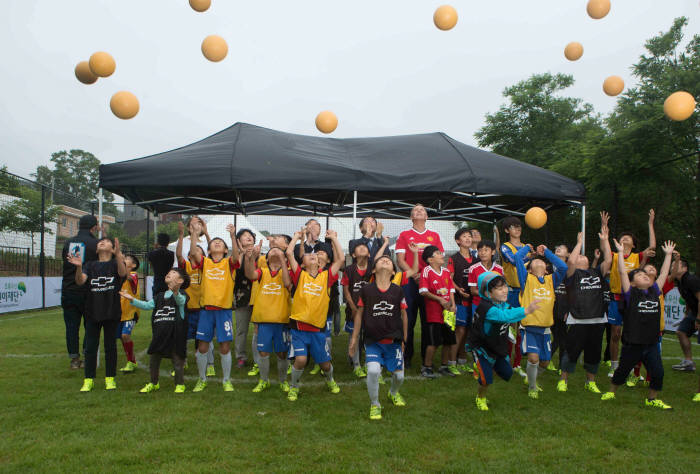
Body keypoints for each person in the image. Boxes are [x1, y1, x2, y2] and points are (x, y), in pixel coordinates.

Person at [601, 240, 675, 410]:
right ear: (633, 283)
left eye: (646, 276)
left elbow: (663, 274)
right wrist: (619, 253)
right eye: (641, 275)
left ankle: (652, 398)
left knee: (658, 372)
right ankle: (612, 391)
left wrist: (668, 255)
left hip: (651, 343)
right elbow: (621, 271)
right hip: (633, 343)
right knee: (622, 371)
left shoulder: (654, 292)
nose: (645, 276)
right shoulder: (630, 293)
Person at [467, 272, 541, 411]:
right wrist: (527, 310)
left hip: (496, 346)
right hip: (482, 347)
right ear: (488, 293)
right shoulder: (487, 308)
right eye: (499, 289)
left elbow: (510, 311)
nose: (505, 290)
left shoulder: (502, 304)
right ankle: (480, 397)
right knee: (485, 380)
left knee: (507, 373)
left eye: (505, 286)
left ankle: (484, 369)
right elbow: (504, 316)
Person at [285, 228, 344, 401]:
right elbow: (289, 252)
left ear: (320, 263)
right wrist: (296, 236)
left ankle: (330, 380)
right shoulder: (299, 275)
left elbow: (340, 259)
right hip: (298, 329)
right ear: (302, 263)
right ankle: (294, 386)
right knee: (301, 360)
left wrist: (333, 238)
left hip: (318, 330)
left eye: (316, 256)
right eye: (308, 255)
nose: (313, 255)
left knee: (325, 365)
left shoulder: (326, 277)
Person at [349, 254, 409, 420]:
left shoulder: (398, 290)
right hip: (373, 340)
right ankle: (375, 404)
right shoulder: (366, 290)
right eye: (381, 260)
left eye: (389, 261)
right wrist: (354, 339)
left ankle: (393, 393)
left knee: (399, 376)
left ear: (393, 272)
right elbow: (359, 315)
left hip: (393, 341)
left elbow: (404, 315)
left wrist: (404, 339)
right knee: (374, 371)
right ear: (374, 269)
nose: (385, 261)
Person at [67, 237, 127, 392]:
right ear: (96, 249)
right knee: (91, 347)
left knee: (110, 347)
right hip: (92, 311)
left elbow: (122, 272)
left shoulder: (115, 263)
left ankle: (110, 378)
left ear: (112, 248)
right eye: (100, 242)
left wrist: (118, 254)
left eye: (107, 242)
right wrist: (78, 267)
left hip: (111, 311)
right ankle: (88, 379)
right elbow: (80, 281)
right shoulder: (89, 265)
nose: (102, 242)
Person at [557, 222, 612, 394]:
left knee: (594, 353)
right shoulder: (572, 275)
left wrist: (605, 240)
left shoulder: (597, 272)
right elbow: (571, 260)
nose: (581, 256)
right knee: (571, 351)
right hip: (578, 319)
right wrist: (579, 242)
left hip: (597, 319)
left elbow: (609, 259)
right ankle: (563, 380)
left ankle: (590, 381)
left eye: (583, 255)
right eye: (579, 255)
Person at [188, 221, 240, 392]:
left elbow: (236, 256)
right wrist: (195, 233)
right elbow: (194, 252)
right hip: (206, 311)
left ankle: (226, 380)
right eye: (213, 242)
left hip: (224, 311)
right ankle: (202, 379)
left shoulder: (229, 263)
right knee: (202, 346)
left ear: (225, 250)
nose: (217, 242)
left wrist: (232, 236)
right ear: (209, 250)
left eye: (221, 242)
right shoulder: (205, 263)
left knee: (224, 346)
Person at [121, 268, 190, 393]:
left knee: (177, 360)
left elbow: (180, 301)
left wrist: (175, 291)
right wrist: (131, 299)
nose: (169, 273)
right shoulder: (159, 296)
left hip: (175, 336)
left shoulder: (183, 295)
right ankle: (154, 383)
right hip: (159, 335)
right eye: (168, 272)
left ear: (180, 280)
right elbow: (147, 305)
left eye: (173, 273)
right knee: (154, 359)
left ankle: (180, 384)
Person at [606, 209, 656, 377]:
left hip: (633, 299)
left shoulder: (637, 257)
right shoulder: (614, 256)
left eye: (628, 237)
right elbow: (604, 248)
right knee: (615, 334)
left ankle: (633, 368)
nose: (625, 238)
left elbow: (653, 246)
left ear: (633, 244)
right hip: (616, 298)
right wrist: (604, 231)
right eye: (622, 237)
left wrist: (650, 224)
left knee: (633, 334)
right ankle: (614, 366)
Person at [515, 242, 568, 399]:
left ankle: (530, 378)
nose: (539, 262)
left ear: (546, 269)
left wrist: (547, 252)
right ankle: (532, 387)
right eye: (534, 262)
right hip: (529, 327)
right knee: (533, 358)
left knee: (544, 362)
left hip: (545, 329)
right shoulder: (526, 280)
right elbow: (518, 257)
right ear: (530, 269)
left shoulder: (552, 281)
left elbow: (563, 268)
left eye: (542, 262)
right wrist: (528, 249)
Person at [395, 204, 444, 369]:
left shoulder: (434, 236)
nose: (419, 211)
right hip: (409, 282)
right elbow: (400, 259)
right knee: (407, 320)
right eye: (415, 210)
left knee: (428, 321)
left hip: (429, 283)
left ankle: (426, 358)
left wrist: (425, 277)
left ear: (426, 216)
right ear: (411, 217)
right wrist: (413, 273)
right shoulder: (404, 235)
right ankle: (406, 356)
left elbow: (439, 259)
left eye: (422, 209)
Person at [244, 246, 293, 393]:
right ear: (266, 258)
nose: (275, 251)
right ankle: (263, 380)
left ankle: (283, 381)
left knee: (282, 353)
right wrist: (251, 257)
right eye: (271, 250)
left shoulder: (288, 271)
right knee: (263, 352)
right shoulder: (263, 272)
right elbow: (250, 275)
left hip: (281, 319)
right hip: (264, 319)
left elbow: (286, 283)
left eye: (278, 250)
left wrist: (284, 261)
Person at [176, 219, 215, 377]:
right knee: (183, 337)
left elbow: (213, 251)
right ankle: (183, 361)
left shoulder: (206, 266)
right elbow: (179, 254)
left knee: (206, 339)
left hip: (203, 309)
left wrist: (205, 234)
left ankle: (210, 364)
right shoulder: (185, 266)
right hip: (186, 308)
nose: (196, 253)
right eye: (194, 251)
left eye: (199, 251)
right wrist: (183, 235)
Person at [61, 214, 100, 369]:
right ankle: (87, 354)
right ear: (94, 227)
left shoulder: (68, 243)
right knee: (89, 324)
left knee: (71, 326)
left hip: (69, 289)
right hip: (88, 289)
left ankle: (74, 359)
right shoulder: (96, 244)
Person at [418, 245, 457, 378]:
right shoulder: (426, 271)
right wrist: (440, 300)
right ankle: (427, 367)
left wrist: (453, 304)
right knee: (433, 342)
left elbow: (451, 289)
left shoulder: (446, 271)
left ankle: (444, 366)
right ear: (430, 259)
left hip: (448, 313)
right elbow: (423, 291)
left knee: (448, 341)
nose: (442, 255)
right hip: (434, 314)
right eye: (438, 253)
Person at [499, 216, 530, 376]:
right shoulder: (505, 247)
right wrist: (528, 254)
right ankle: (504, 362)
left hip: (525, 292)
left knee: (521, 329)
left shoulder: (526, 247)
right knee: (509, 328)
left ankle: (517, 364)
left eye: (519, 226)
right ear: (506, 230)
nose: (517, 229)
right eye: (513, 227)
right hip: (510, 291)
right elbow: (513, 260)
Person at [342, 240, 375, 378]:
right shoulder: (349, 270)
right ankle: (356, 365)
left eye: (364, 247)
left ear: (369, 253)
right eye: (358, 248)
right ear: (353, 255)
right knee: (353, 336)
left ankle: (370, 363)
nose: (362, 248)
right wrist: (352, 306)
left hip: (370, 311)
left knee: (369, 337)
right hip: (353, 309)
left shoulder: (373, 268)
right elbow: (346, 290)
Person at [448, 228, 477, 374]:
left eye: (469, 236)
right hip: (459, 300)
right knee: (459, 330)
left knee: (468, 332)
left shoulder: (476, 259)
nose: (467, 238)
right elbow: (449, 278)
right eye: (464, 236)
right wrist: (459, 290)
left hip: (474, 300)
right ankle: (451, 362)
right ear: (458, 241)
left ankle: (462, 360)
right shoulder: (454, 258)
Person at [233, 227, 257, 370]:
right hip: (242, 296)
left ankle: (258, 358)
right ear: (239, 241)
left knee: (258, 329)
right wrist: (242, 253)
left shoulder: (260, 254)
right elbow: (236, 267)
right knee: (242, 329)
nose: (248, 237)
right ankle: (240, 357)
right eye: (244, 236)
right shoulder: (236, 256)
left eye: (250, 235)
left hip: (259, 297)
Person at [671, 256, 700, 372]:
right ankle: (688, 363)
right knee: (681, 332)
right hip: (694, 312)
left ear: (684, 268)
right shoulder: (679, 282)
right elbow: (688, 299)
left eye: (675, 265)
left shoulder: (691, 279)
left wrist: (698, 319)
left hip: (698, 314)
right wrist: (687, 314)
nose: (672, 267)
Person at [118, 254, 140, 373]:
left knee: (125, 336)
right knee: (122, 338)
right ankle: (131, 361)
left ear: (133, 265)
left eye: (126, 259)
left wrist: (120, 260)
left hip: (131, 312)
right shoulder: (119, 277)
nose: (124, 260)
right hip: (119, 313)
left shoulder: (133, 275)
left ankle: (131, 362)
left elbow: (129, 278)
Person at [550, 244, 570, 372]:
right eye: (557, 247)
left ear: (568, 255)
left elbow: (573, 291)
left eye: (562, 248)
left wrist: (569, 310)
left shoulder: (570, 269)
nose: (558, 248)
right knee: (554, 335)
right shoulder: (547, 267)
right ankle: (546, 359)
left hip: (563, 308)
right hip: (548, 307)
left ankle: (560, 365)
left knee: (561, 337)